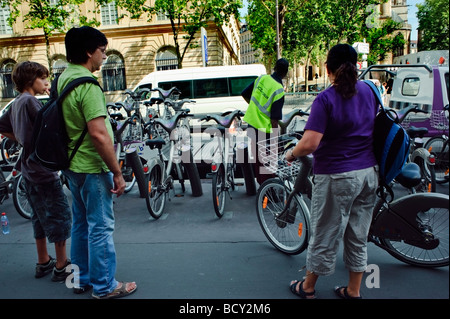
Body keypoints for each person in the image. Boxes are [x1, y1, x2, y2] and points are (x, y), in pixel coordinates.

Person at [285, 44, 379, 299]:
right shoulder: (370, 92)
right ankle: (353, 291)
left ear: (327, 69)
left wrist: (292, 153)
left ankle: (307, 287)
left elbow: (310, 143)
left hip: (337, 175)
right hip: (368, 174)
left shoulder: (326, 98)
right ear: (356, 66)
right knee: (358, 235)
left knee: (325, 232)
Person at [59, 26, 137, 299]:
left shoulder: (63, 78)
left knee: (80, 225)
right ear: (88, 52)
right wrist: (117, 172)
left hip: (71, 165)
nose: (104, 57)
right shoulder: (88, 85)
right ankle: (105, 286)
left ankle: (80, 281)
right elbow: (99, 134)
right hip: (92, 167)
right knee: (100, 227)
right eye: (102, 51)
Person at [0, 61, 72, 282]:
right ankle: (61, 264)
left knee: (38, 217)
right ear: (32, 81)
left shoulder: (15, 103)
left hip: (27, 169)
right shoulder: (31, 101)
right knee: (59, 215)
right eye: (43, 79)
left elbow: (2, 127)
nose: (46, 82)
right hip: (42, 169)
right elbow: (48, 129)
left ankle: (43, 261)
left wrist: (23, 141)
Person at [241, 58, 289, 186]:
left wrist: (254, 108)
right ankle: (269, 191)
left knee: (257, 161)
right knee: (267, 163)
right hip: (264, 131)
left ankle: (262, 189)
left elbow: (244, 93)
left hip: (251, 125)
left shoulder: (261, 78)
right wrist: (276, 139)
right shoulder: (278, 90)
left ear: (274, 68)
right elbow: (274, 120)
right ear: (285, 73)